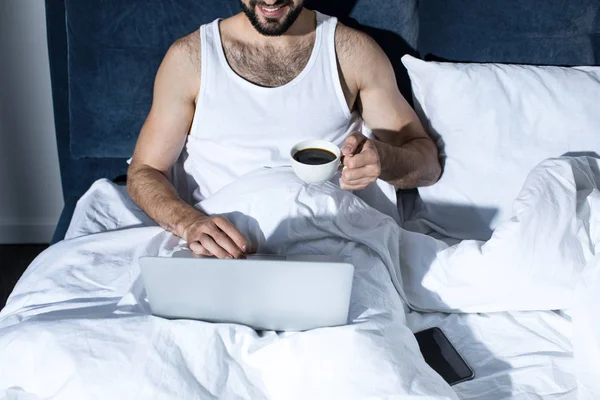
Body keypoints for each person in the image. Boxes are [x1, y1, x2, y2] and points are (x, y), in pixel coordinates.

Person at [127, 0, 441, 260]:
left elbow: (427, 165)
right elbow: (145, 170)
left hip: (330, 244)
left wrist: (384, 160)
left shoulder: (351, 52)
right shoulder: (190, 59)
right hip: (222, 250)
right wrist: (189, 223)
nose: (271, 0)